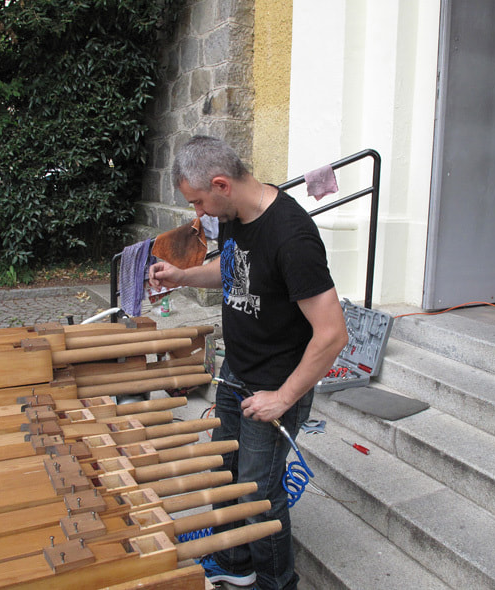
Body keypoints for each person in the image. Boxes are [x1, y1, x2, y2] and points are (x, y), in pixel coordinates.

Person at [148, 135, 348, 590]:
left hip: (274, 383)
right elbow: (233, 272)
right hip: (236, 372)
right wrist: (182, 275)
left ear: (221, 184)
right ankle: (235, 564)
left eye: (199, 202)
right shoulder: (235, 216)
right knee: (226, 474)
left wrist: (283, 397)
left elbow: (333, 333)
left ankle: (276, 582)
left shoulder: (292, 236)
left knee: (259, 491)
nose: (198, 213)